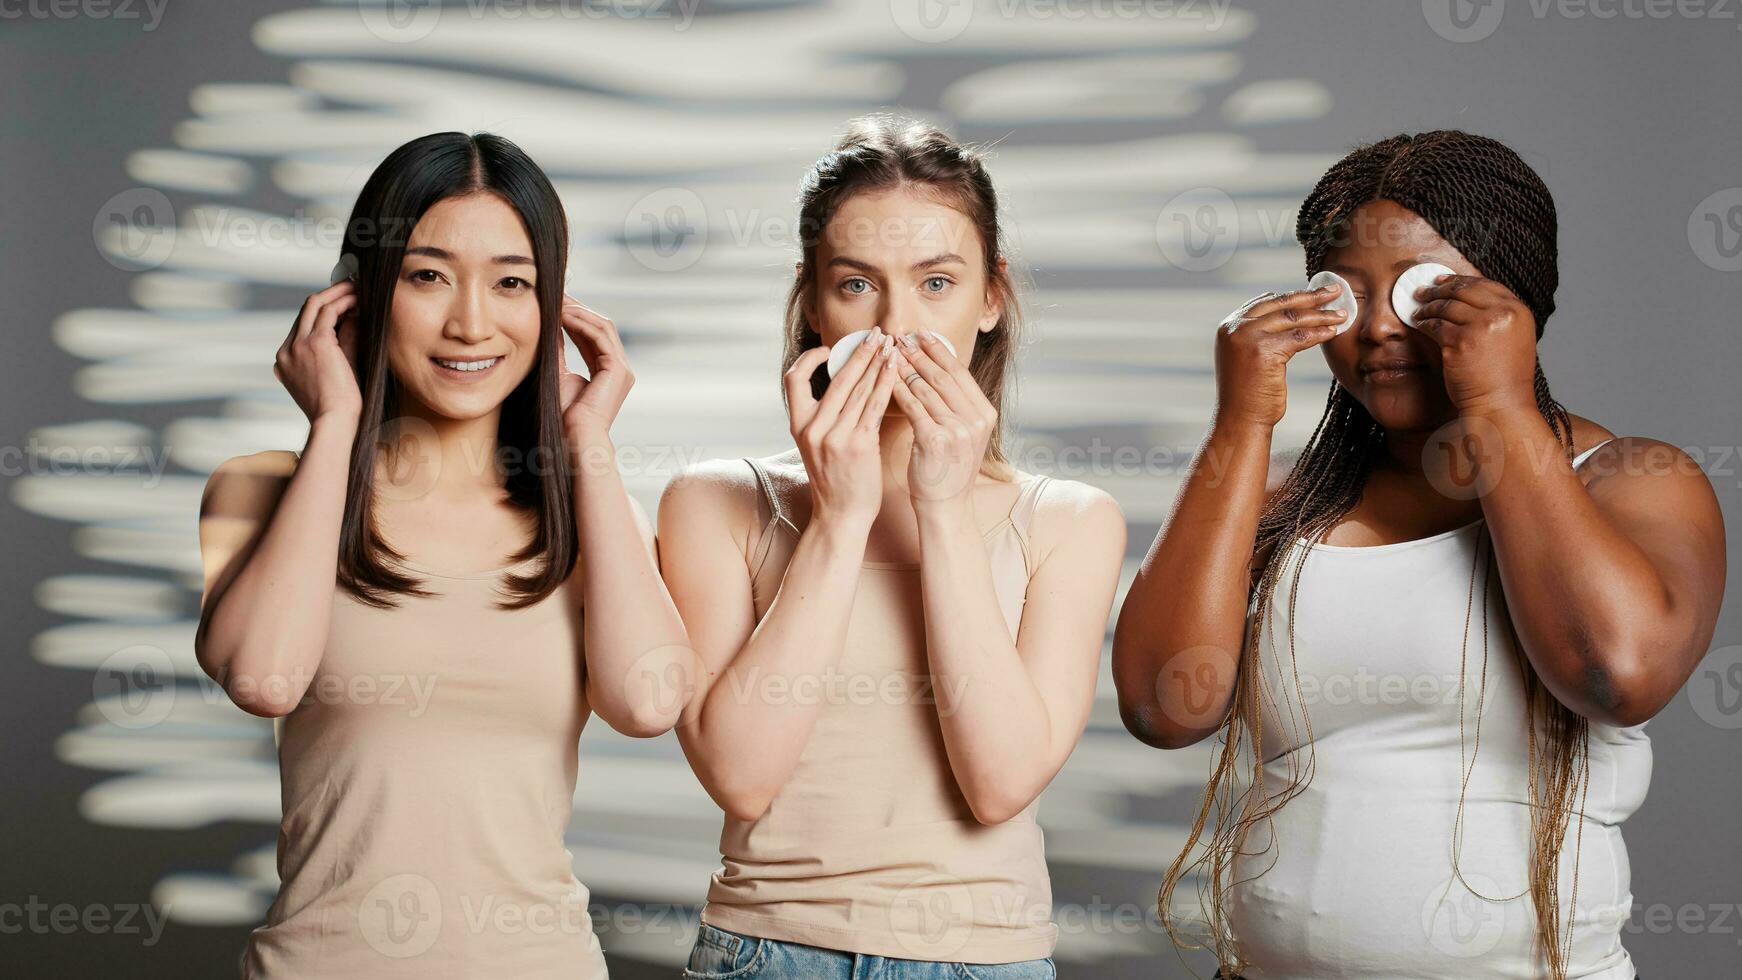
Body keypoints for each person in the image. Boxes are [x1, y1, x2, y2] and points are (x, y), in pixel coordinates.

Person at [1112, 130, 1724, 980]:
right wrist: (1239, 428)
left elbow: (1615, 675)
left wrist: (1499, 402)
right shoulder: (1284, 501)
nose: (1377, 331)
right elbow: (1162, 708)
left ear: (1519, 302)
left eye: (1425, 294)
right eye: (1344, 295)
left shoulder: (1630, 480)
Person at [195, 131, 693, 978]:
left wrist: (588, 445)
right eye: (428, 276)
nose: (471, 321)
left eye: (511, 283)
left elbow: (648, 701)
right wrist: (334, 425)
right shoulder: (262, 491)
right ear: (361, 295)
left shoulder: (590, 517)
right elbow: (264, 680)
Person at [655, 114, 1127, 980]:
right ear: (812, 301)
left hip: (984, 961)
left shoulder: (1071, 519)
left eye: (937, 282)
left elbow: (999, 783)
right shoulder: (714, 503)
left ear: (992, 297)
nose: (899, 326)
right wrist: (838, 519)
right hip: (766, 953)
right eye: (858, 285)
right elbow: (741, 777)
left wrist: (942, 507)